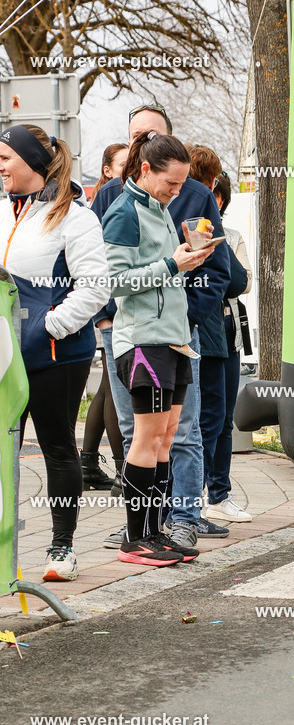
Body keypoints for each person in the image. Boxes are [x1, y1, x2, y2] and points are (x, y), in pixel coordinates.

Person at [92, 103, 233, 546]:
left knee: (168, 437)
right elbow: (114, 280)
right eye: (171, 183)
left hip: (173, 338)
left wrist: (187, 264)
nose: (178, 191)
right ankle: (139, 537)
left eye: (182, 184)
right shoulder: (122, 210)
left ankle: (159, 530)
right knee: (146, 437)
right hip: (143, 339)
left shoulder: (156, 206)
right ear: (147, 168)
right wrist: (173, 264)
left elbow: (166, 271)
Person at [0, 124, 109, 581]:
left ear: (31, 162)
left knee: (57, 448)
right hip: (6, 354)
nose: (0, 165)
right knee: (3, 449)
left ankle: (62, 549)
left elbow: (96, 288)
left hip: (56, 355)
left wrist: (48, 327)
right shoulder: (5, 212)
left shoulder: (75, 216)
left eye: (6, 156)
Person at [188, 149, 252, 523]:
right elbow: (232, 279)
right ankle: (194, 497)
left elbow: (242, 282)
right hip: (205, 333)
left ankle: (220, 492)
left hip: (228, 334)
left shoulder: (229, 233)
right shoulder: (189, 228)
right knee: (206, 420)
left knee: (223, 416)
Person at [81, 142, 130, 492]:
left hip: (121, 314)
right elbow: (92, 260)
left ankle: (88, 463)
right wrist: (102, 317)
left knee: (107, 390)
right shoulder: (109, 196)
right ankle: (122, 470)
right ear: (108, 170)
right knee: (115, 392)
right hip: (112, 313)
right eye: (123, 163)